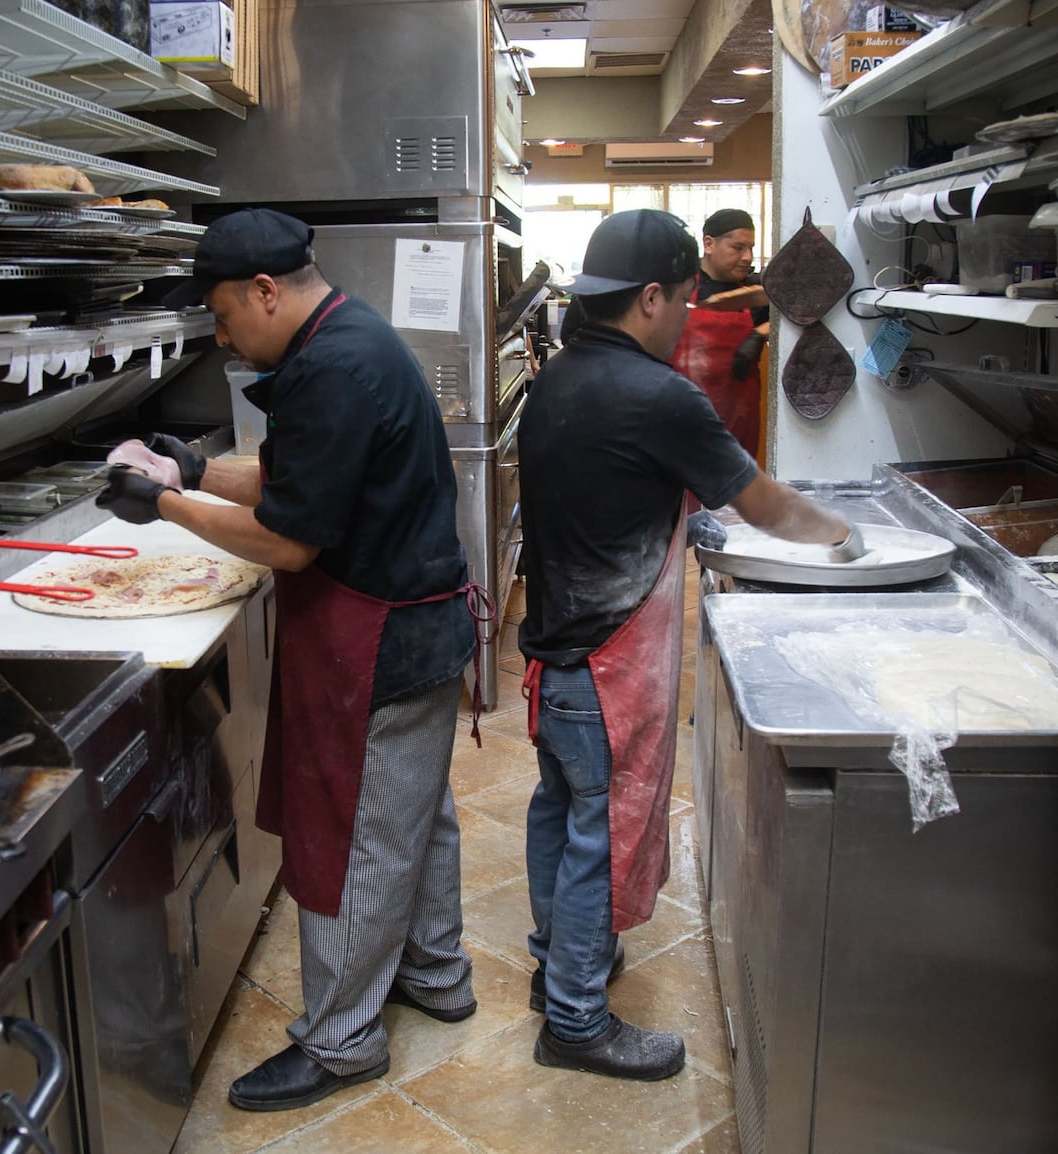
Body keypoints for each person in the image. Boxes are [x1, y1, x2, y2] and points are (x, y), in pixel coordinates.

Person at [95, 208, 484, 1113]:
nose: (223, 335)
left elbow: (287, 540)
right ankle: (435, 973)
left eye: (224, 316)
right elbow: (297, 473)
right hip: (415, 626)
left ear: (265, 290)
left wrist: (165, 507)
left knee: (352, 834)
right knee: (417, 815)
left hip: (380, 640)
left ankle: (343, 1040)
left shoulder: (336, 365)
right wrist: (191, 468)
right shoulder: (345, 335)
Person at [516, 209, 861, 1082]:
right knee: (601, 830)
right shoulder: (658, 395)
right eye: (683, 300)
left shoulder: (557, 380)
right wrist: (845, 536)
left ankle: (557, 962)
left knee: (559, 809)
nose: (688, 316)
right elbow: (767, 506)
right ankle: (575, 1020)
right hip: (607, 666)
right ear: (652, 297)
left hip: (554, 655)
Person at [671, 207, 770, 460]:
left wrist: (759, 332)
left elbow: (799, 312)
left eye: (751, 248)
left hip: (738, 419)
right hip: (684, 415)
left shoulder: (755, 292)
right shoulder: (679, 289)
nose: (748, 257)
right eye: (738, 248)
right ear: (709, 244)